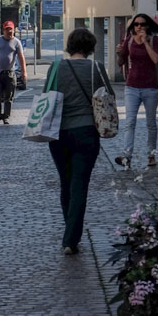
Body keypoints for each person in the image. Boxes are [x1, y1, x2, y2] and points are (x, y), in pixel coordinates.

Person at [46, 26, 112, 255]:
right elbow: (108, 97)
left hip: (58, 133)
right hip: (86, 132)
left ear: (70, 46)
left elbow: (47, 94)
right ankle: (70, 238)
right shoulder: (96, 68)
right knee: (79, 184)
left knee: (65, 182)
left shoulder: (56, 67)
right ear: (91, 47)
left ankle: (70, 232)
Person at [114, 13, 158, 170]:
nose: (139, 27)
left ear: (147, 26)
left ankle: (151, 155)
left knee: (151, 123)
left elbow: (156, 60)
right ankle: (127, 157)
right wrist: (118, 52)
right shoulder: (129, 40)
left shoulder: (154, 39)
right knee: (129, 122)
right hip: (132, 86)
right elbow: (120, 62)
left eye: (142, 24)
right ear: (133, 26)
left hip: (150, 87)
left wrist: (146, 43)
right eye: (136, 24)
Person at [0, 20, 27, 124]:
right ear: (3, 30)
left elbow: (21, 58)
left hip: (10, 73)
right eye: (7, 29)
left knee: (9, 97)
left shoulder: (17, 42)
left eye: (11, 29)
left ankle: (6, 116)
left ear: (14, 30)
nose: (9, 31)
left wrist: (24, 72)